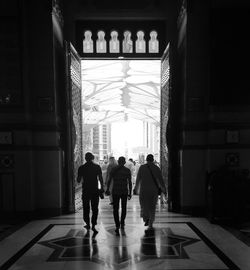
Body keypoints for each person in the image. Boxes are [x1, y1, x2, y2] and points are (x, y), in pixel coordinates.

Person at [133, 154, 166, 230]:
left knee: (144, 205)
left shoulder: (142, 167)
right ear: (153, 159)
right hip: (153, 190)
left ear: (146, 160)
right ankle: (150, 223)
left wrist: (136, 188)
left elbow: (138, 179)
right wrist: (164, 190)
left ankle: (146, 218)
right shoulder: (156, 168)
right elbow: (161, 180)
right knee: (152, 206)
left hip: (144, 190)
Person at [77, 152, 104, 233]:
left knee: (86, 207)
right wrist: (102, 189)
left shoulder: (82, 168)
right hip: (95, 190)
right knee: (95, 208)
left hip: (86, 190)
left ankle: (87, 223)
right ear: (92, 158)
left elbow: (78, 180)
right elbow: (100, 179)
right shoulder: (97, 167)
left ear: (85, 158)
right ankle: (93, 224)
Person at [106, 156, 132, 234]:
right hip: (124, 191)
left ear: (118, 161)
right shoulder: (127, 170)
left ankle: (117, 224)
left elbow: (109, 180)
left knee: (115, 208)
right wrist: (130, 192)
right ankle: (122, 222)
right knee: (124, 208)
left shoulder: (114, 170)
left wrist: (107, 189)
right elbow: (130, 182)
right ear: (124, 162)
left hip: (115, 191)